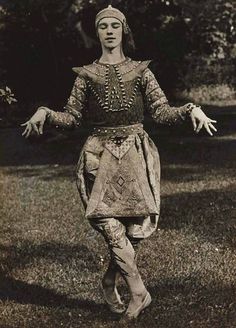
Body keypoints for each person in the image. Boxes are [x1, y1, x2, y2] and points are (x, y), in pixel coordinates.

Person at [21, 5, 217, 320]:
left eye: (115, 25)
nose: (109, 31)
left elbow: (161, 112)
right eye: (103, 26)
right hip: (99, 157)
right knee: (108, 224)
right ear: (96, 32)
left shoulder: (141, 71)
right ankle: (138, 291)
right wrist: (46, 111)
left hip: (137, 155)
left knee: (136, 229)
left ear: (123, 30)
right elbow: (72, 118)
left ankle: (110, 279)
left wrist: (190, 108)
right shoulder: (86, 74)